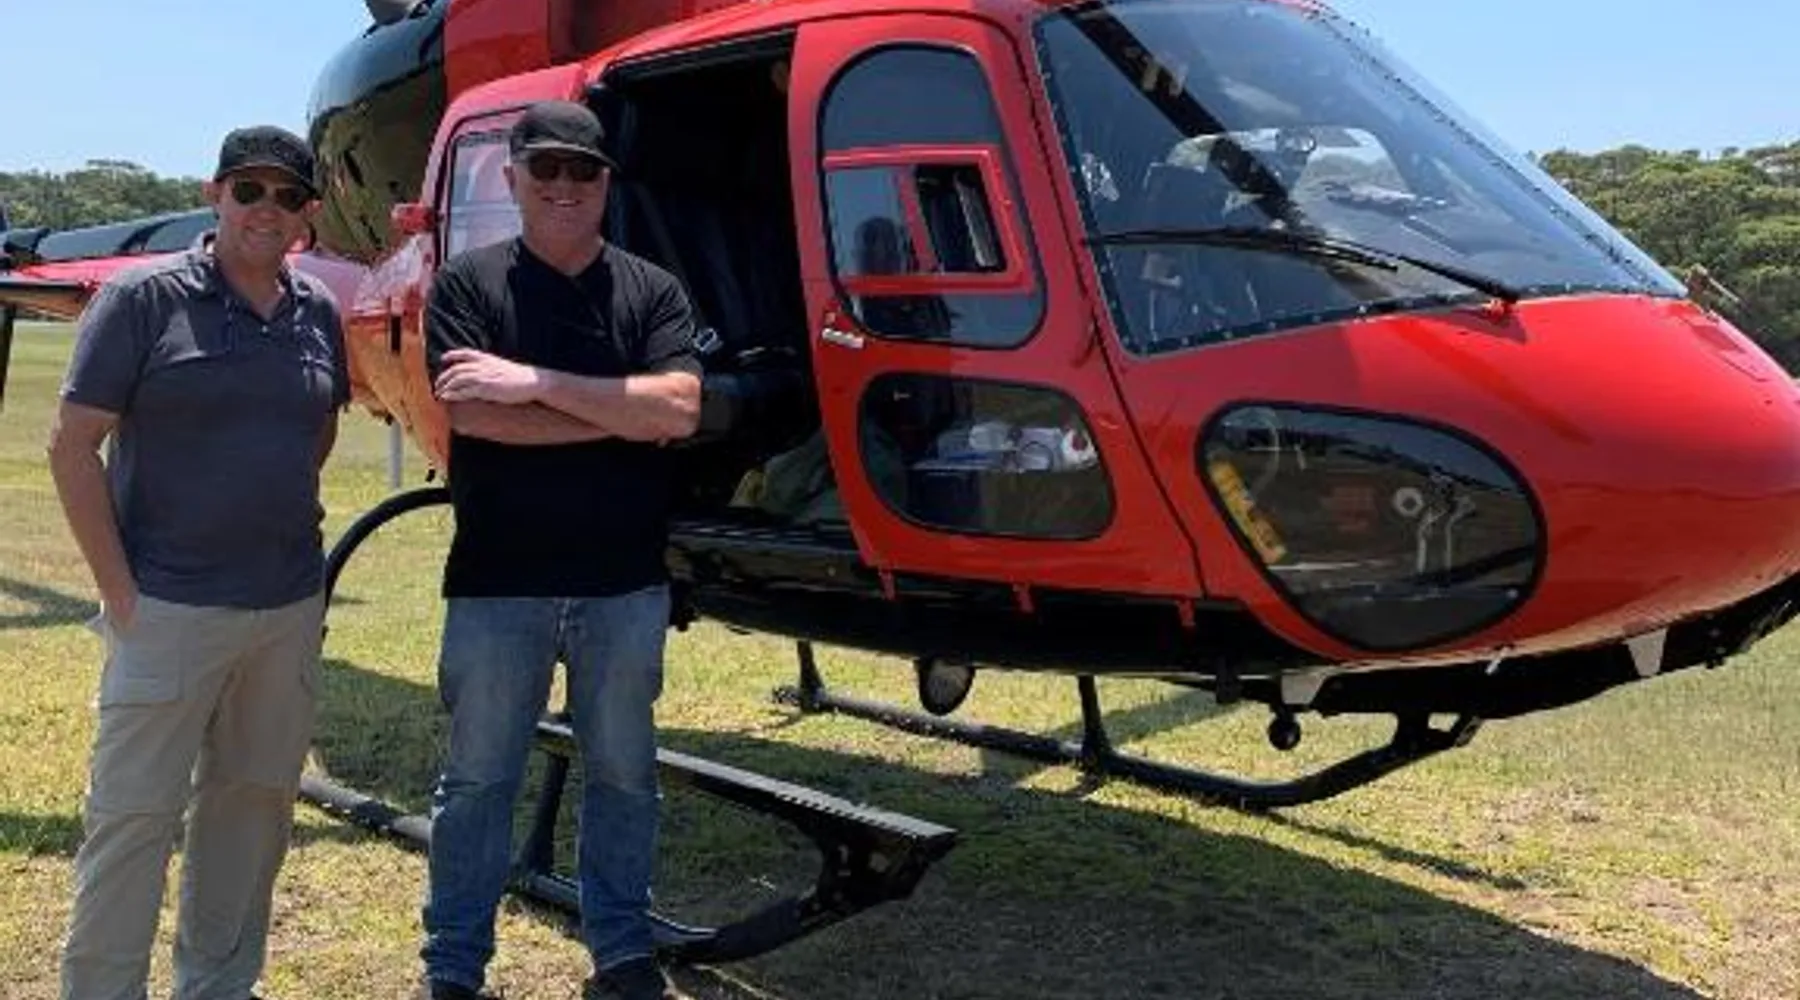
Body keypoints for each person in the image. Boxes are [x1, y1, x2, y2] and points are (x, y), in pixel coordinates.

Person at [48, 125, 349, 1000]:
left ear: (308, 214)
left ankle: (218, 985)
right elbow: (72, 447)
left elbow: (317, 428)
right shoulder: (143, 299)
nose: (266, 209)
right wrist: (122, 596)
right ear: (215, 195)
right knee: (132, 821)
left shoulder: (316, 310)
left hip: (286, 609)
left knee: (251, 814)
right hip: (167, 608)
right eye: (248, 190)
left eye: (286, 196)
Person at [417, 100, 703, 1000]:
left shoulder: (652, 291)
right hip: (499, 582)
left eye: (583, 170)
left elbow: (680, 409)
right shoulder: (467, 287)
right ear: (512, 179)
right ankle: (454, 966)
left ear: (606, 184)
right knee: (477, 781)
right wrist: (619, 415)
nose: (564, 185)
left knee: (626, 775)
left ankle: (620, 950)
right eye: (545, 168)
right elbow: (472, 414)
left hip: (624, 585)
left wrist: (533, 382)